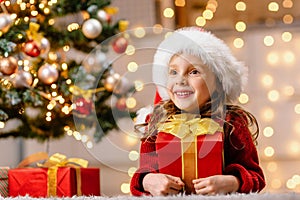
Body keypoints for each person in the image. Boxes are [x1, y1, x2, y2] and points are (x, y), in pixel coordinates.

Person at [130, 27, 266, 196]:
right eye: (173, 72)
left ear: (217, 81)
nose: (180, 80)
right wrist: (148, 181)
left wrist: (232, 182)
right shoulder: (158, 120)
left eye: (194, 71)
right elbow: (143, 173)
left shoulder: (232, 121)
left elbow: (256, 177)